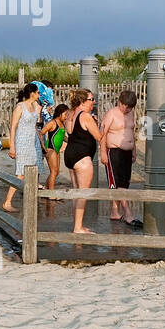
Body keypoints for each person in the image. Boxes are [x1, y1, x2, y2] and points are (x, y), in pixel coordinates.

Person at [63, 88, 103, 235]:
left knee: (76, 192)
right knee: (83, 193)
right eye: (91, 99)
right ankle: (78, 227)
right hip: (82, 157)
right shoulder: (85, 116)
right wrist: (103, 127)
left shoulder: (69, 113)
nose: (94, 102)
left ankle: (77, 225)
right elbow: (99, 137)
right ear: (82, 101)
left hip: (70, 155)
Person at [100, 90, 141, 226]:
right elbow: (102, 134)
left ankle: (114, 211)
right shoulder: (111, 114)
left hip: (127, 152)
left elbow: (131, 133)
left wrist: (134, 151)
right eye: (126, 106)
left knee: (124, 184)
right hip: (114, 152)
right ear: (120, 102)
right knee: (118, 184)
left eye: (130, 107)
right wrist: (103, 153)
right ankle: (128, 213)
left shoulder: (131, 114)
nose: (127, 109)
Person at [2, 83, 42, 212]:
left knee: (32, 170)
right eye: (38, 93)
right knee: (21, 173)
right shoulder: (20, 107)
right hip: (22, 141)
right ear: (32, 93)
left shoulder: (34, 106)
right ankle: (7, 202)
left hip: (32, 141)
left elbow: (37, 123)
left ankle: (29, 200)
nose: (39, 95)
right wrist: (12, 146)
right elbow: (13, 127)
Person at [39, 103, 69, 196]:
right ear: (59, 113)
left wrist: (71, 141)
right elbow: (41, 133)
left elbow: (62, 137)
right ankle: (51, 195)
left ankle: (47, 189)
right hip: (50, 149)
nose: (66, 117)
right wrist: (43, 146)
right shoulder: (52, 123)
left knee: (56, 172)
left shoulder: (62, 124)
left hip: (57, 150)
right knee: (53, 172)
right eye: (65, 114)